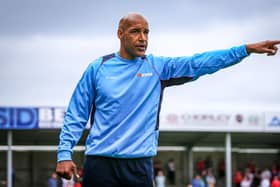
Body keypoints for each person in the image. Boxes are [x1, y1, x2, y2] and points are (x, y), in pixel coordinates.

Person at [55, 12, 280, 187]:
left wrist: (244, 50)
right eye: (135, 31)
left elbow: (199, 62)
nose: (143, 38)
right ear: (120, 34)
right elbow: (76, 113)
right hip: (99, 163)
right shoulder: (98, 68)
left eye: (146, 32)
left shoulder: (158, 68)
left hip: (139, 165)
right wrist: (65, 154)